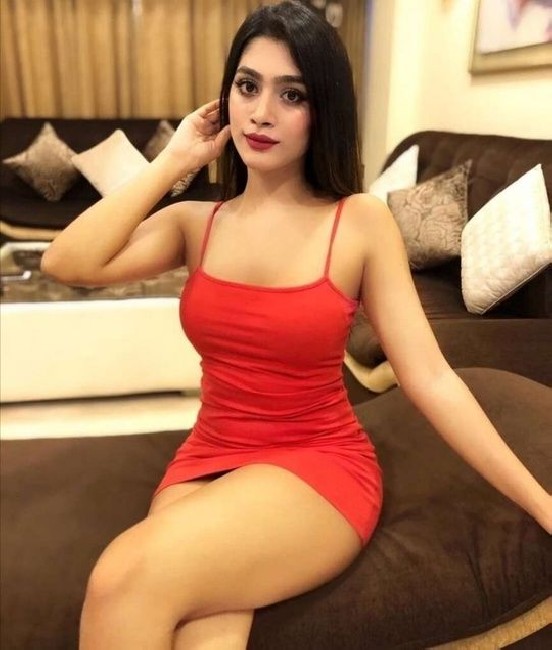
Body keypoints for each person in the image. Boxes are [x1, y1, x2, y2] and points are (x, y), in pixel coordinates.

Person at [41, 2, 551, 649]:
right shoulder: (197, 224)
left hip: (317, 464)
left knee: (121, 578)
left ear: (323, 110)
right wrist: (172, 162)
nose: (261, 113)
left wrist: (541, 501)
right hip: (206, 457)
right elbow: (68, 261)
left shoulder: (358, 222)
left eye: (292, 94)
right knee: (199, 629)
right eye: (247, 86)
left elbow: (431, 379)